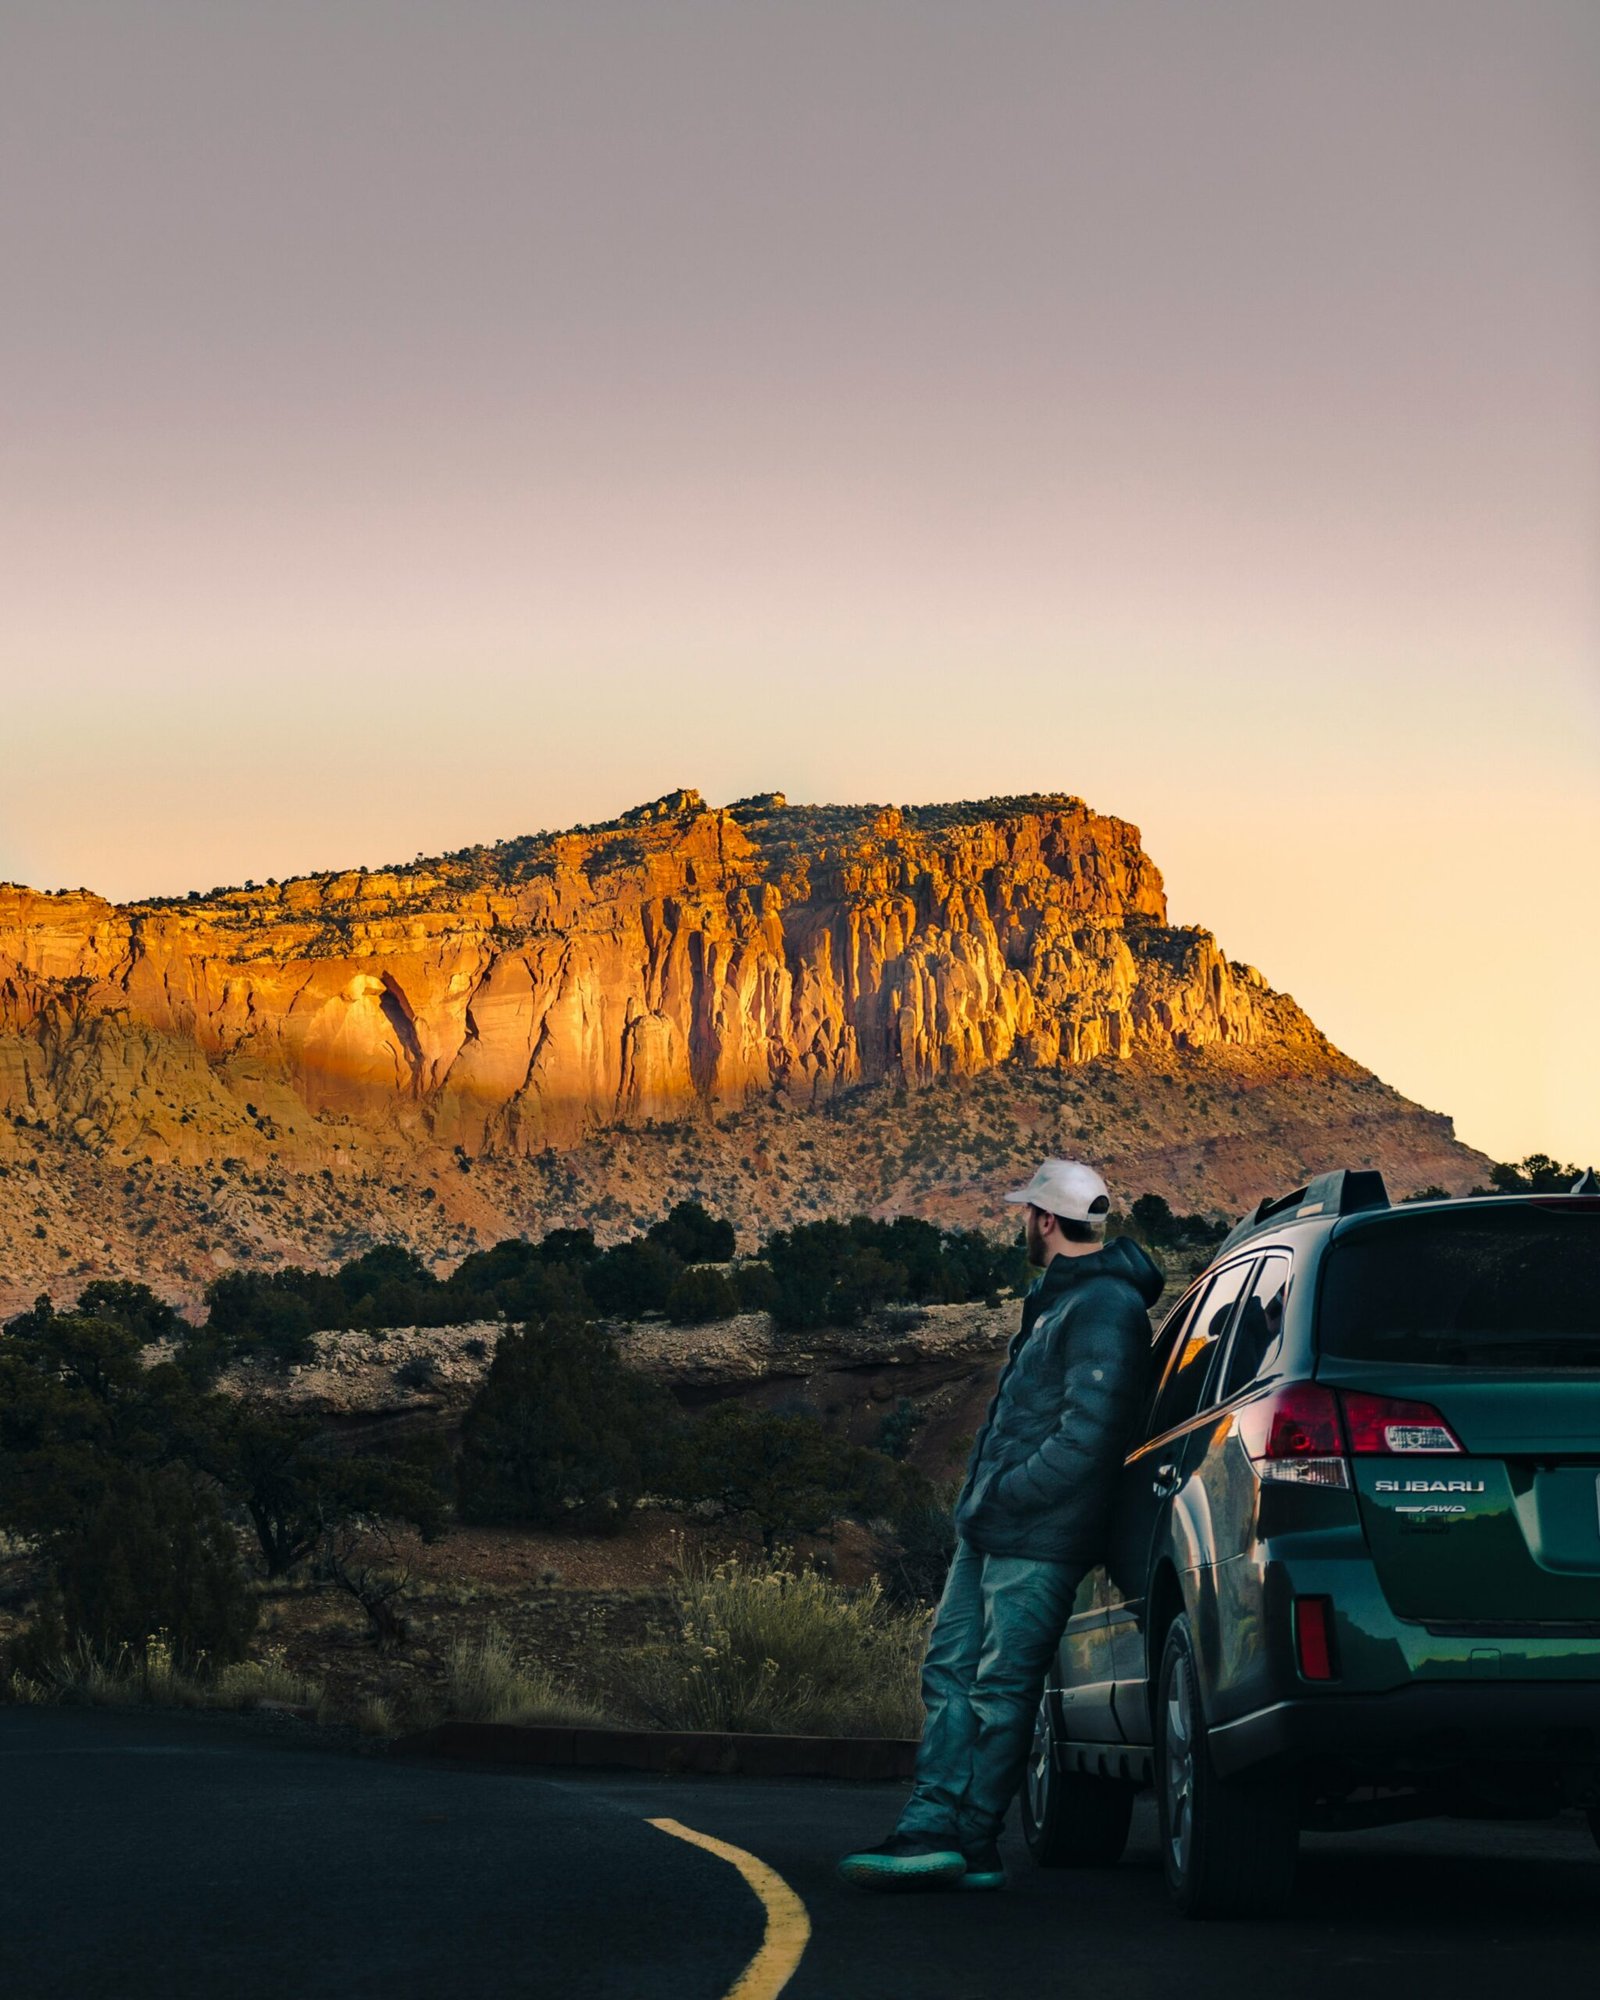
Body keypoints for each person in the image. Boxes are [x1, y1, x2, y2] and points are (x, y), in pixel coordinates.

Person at [838, 1158, 1164, 1893]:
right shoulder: (1059, 1302)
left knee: (1000, 1688)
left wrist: (1006, 1495)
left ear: (1046, 1220)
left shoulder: (1104, 1307)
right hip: (992, 1528)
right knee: (949, 1672)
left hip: (1036, 1537)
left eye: (1027, 1213)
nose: (1023, 1223)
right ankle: (933, 1828)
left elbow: (1089, 1439)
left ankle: (967, 1837)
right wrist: (985, 1506)